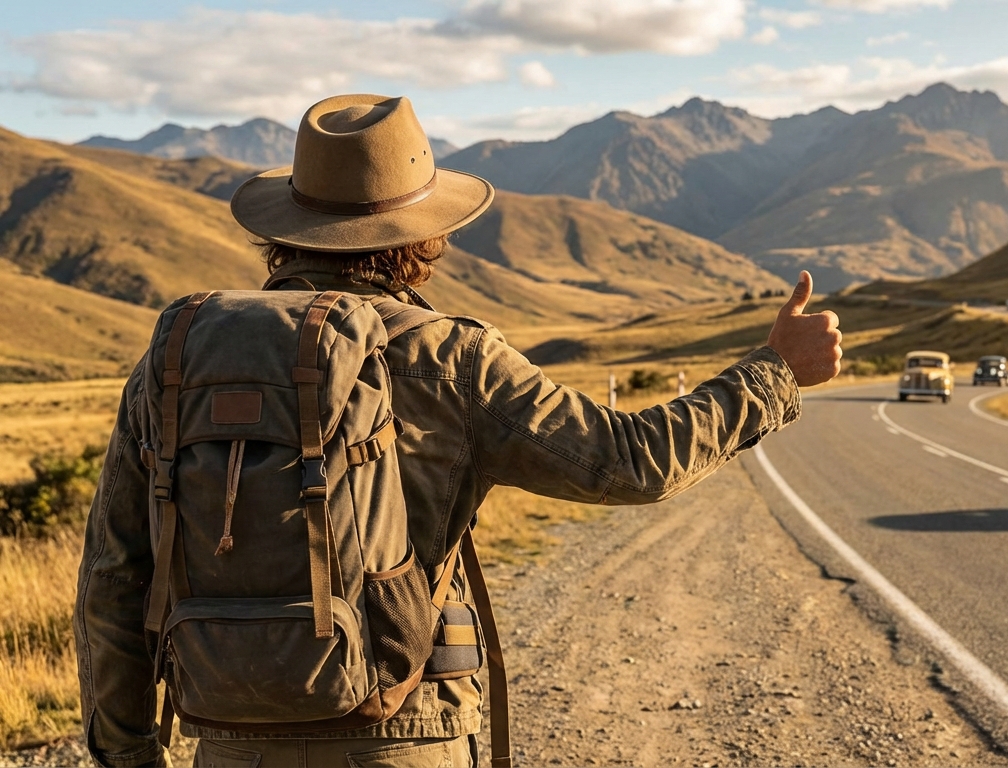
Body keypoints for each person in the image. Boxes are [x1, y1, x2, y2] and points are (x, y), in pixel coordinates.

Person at [74, 93, 842, 767]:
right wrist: (772, 372)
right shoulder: (452, 357)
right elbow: (628, 462)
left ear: (286, 229)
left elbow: (114, 576)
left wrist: (129, 751)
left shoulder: (177, 359)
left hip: (228, 741)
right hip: (405, 732)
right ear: (421, 235)